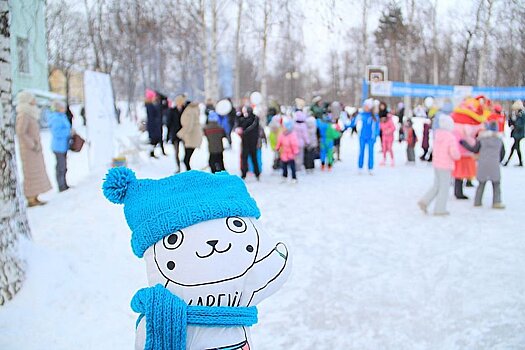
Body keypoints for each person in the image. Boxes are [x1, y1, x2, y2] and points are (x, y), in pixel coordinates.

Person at [418, 114, 460, 216]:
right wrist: (458, 155)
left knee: (436, 185)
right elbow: (453, 153)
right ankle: (440, 209)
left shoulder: (438, 135)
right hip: (446, 165)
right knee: (444, 188)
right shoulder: (450, 138)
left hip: (437, 164)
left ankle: (425, 201)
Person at [15, 91, 52, 206]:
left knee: (36, 172)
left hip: (34, 150)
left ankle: (35, 196)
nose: (35, 100)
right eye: (32, 98)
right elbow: (21, 132)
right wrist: (32, 144)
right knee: (30, 173)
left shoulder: (30, 112)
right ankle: (30, 198)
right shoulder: (24, 114)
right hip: (29, 150)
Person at [460, 121, 505, 209]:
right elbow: (503, 153)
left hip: (483, 164)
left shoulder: (482, 139)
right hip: (494, 164)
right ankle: (497, 202)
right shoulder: (499, 140)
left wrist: (464, 143)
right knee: (496, 184)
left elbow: (474, 149)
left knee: (481, 183)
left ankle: (477, 201)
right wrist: (497, 160)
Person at [349, 99, 379, 174]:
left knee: (370, 152)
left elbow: (376, 128)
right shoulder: (361, 115)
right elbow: (353, 123)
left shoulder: (374, 116)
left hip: (370, 137)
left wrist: (375, 136)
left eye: (366, 106)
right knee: (361, 151)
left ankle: (370, 167)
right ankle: (360, 167)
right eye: (364, 106)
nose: (365, 107)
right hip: (362, 136)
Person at [48, 100, 72, 192]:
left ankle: (64, 184)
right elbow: (56, 132)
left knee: (64, 166)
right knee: (60, 167)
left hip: (63, 145)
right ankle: (61, 186)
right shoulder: (56, 118)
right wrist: (68, 132)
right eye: (63, 107)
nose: (64, 109)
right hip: (58, 146)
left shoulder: (62, 116)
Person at [177, 102, 202, 171]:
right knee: (187, 159)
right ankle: (189, 175)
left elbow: (188, 126)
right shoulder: (194, 109)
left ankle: (190, 176)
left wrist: (179, 134)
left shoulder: (189, 110)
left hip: (191, 137)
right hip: (194, 136)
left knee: (186, 160)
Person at [238, 106, 261, 180]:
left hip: (246, 141)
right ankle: (257, 173)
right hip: (253, 141)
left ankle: (244, 173)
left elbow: (242, 125)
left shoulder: (247, 119)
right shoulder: (256, 119)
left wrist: (240, 116)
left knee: (245, 158)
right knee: (254, 158)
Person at [167, 95, 187, 172]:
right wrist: (168, 136)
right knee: (176, 152)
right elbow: (169, 124)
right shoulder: (172, 110)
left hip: (184, 134)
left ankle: (186, 165)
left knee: (186, 151)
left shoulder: (185, 110)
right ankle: (178, 167)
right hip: (175, 134)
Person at [276, 118, 299, 183]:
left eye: (285, 127)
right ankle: (284, 176)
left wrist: (295, 151)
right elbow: (279, 142)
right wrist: (277, 147)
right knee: (284, 166)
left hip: (291, 154)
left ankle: (294, 177)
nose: (283, 128)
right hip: (284, 153)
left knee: (292, 167)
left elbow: (294, 144)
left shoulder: (292, 135)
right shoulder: (282, 134)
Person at [145, 89, 165, 158]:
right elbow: (152, 117)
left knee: (155, 140)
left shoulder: (151, 105)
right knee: (154, 140)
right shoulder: (150, 105)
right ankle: (151, 154)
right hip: (153, 126)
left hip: (154, 126)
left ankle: (152, 153)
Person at [503, 100, 524, 167]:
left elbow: (521, 125)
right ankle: (519, 162)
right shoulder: (518, 114)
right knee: (516, 148)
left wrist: (514, 123)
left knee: (515, 148)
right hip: (517, 134)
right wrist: (511, 121)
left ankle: (507, 162)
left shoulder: (522, 114)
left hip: (519, 134)